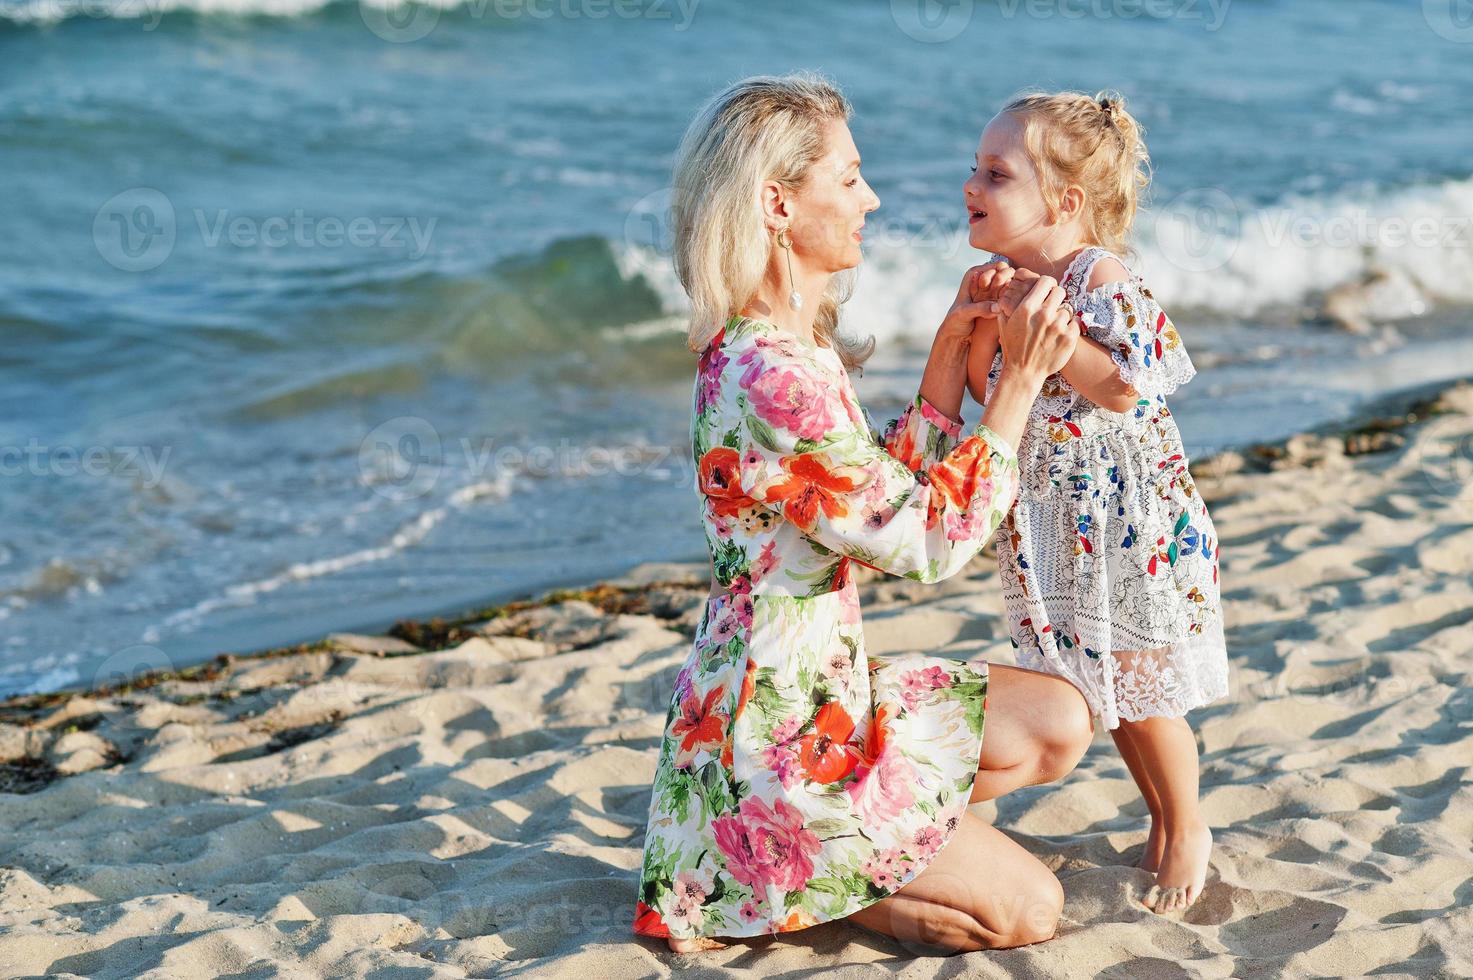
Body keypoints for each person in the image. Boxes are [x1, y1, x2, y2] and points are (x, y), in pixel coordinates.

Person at [632, 72, 1094, 956]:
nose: (870, 198)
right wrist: (1021, 383)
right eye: (847, 179)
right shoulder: (770, 376)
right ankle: (804, 885)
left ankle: (861, 859)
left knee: (1053, 721)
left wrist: (952, 352)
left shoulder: (784, 343)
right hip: (773, 742)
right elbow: (925, 542)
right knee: (1027, 913)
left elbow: (872, 490)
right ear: (776, 202)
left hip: (819, 692)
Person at [962, 89, 1228, 913]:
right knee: (1101, 687)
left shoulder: (1095, 276)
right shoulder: (1006, 280)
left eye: (996, 173)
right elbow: (989, 392)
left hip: (1127, 520)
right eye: (973, 168)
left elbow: (1124, 385)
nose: (970, 183)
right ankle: (1156, 818)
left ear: (1064, 201)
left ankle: (1186, 825)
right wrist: (981, 320)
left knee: (1143, 686)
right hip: (1053, 523)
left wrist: (1051, 332)